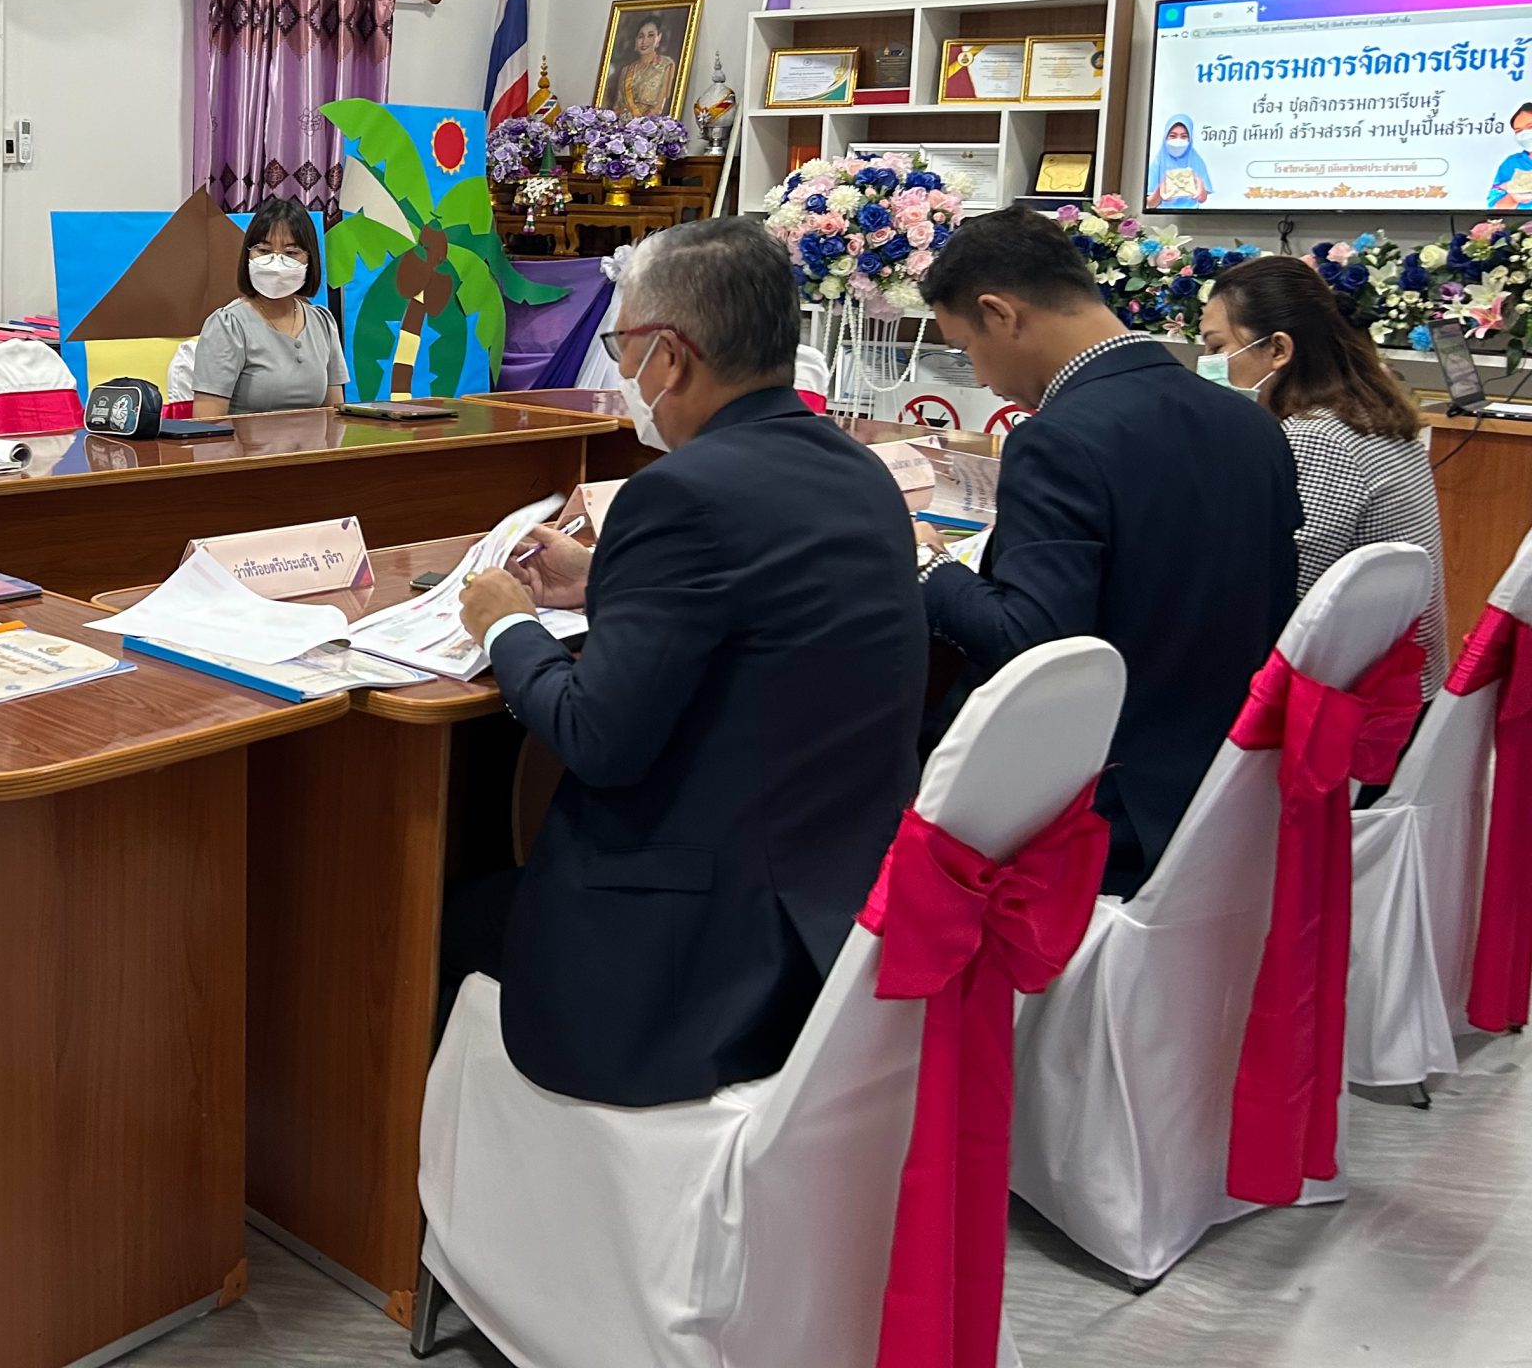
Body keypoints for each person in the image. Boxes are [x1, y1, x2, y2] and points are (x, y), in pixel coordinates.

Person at [454, 218, 924, 1107]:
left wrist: (505, 626)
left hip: (691, 964)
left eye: (622, 348)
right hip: (833, 913)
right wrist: (605, 578)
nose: (625, 373)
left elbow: (595, 737)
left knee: (439, 917)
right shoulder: (858, 472)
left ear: (668, 357)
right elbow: (760, 603)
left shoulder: (678, 494)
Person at [916, 207, 1299, 894]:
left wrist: (928, 564)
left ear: (1000, 314)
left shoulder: (1059, 439)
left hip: (1098, 812)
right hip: (1227, 790)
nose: (981, 377)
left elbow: (1030, 641)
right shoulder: (1250, 422)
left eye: (966, 349)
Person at [1200, 254, 1447, 691]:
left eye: (1217, 348)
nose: (1206, 364)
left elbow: (1283, 591)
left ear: (1278, 349)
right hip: (1396, 685)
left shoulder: (1318, 438)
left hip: (1350, 702)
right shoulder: (1369, 412)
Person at [191, 197, 347, 417]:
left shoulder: (322, 323)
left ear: (309, 259)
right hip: (245, 441)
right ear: (248, 255)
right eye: (264, 251)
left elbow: (334, 416)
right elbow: (207, 422)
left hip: (313, 440)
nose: (276, 263)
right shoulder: (228, 325)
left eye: (291, 253)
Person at [609, 13, 680, 118]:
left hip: (650, 124)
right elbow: (618, 106)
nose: (644, 41)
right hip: (623, 124)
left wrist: (640, 122)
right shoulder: (626, 70)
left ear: (658, 38)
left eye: (650, 35)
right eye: (641, 36)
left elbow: (661, 107)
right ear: (636, 41)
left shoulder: (665, 65)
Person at [1147, 114, 1214, 208]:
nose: (1178, 140)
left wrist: (1200, 187)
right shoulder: (1158, 162)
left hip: (1192, 214)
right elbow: (1150, 204)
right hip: (1162, 214)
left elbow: (1202, 199)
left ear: (1190, 139)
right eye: (1173, 136)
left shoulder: (1196, 161)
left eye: (1184, 136)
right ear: (1165, 137)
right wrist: (1160, 192)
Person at [1488, 102, 1532, 209]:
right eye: (1518, 131)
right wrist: (1512, 198)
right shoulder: (1512, 163)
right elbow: (1495, 209)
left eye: (1530, 127)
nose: (1525, 134)